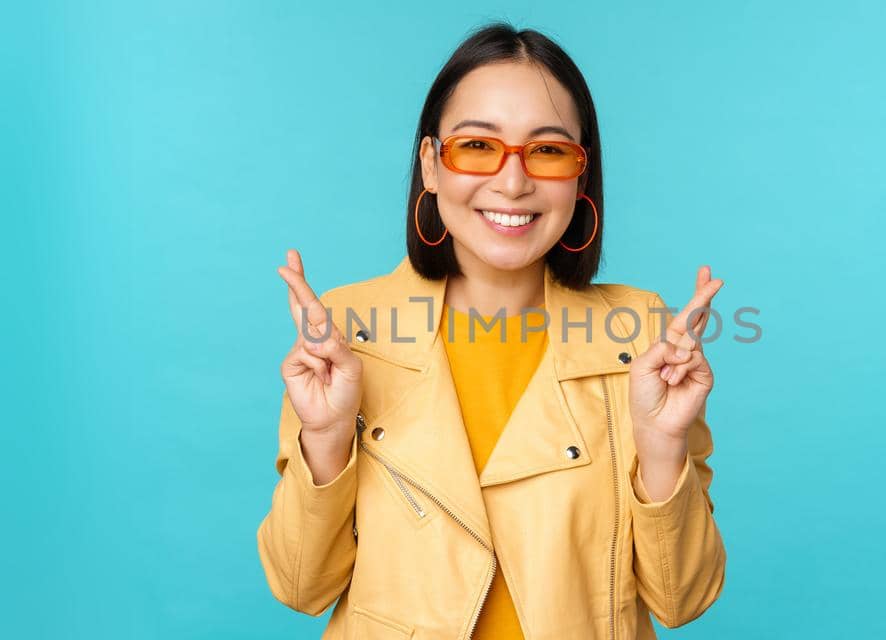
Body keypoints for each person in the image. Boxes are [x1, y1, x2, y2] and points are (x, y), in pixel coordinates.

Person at [257, 22, 726, 639]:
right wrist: (326, 438)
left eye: (548, 150)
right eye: (476, 146)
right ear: (430, 164)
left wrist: (662, 449)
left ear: (581, 177)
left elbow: (682, 599)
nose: (512, 182)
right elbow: (299, 586)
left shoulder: (639, 334)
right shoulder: (350, 330)